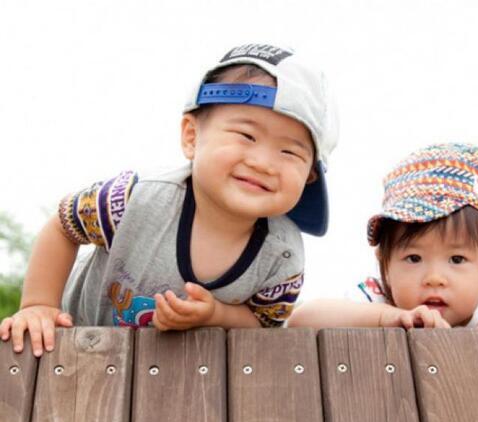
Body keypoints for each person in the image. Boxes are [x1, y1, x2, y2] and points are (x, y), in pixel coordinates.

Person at [0, 43, 339, 355]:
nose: (263, 162)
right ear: (192, 137)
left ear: (310, 175)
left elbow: (263, 326)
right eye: (246, 135)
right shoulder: (136, 199)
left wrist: (215, 313)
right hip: (72, 346)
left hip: (176, 376)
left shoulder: (282, 258)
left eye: (289, 152)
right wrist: (39, 304)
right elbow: (65, 225)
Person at [288, 143, 478, 334]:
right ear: (384, 264)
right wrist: (389, 318)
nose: (435, 278)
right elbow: (304, 319)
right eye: (413, 258)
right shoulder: (380, 302)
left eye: (457, 259)